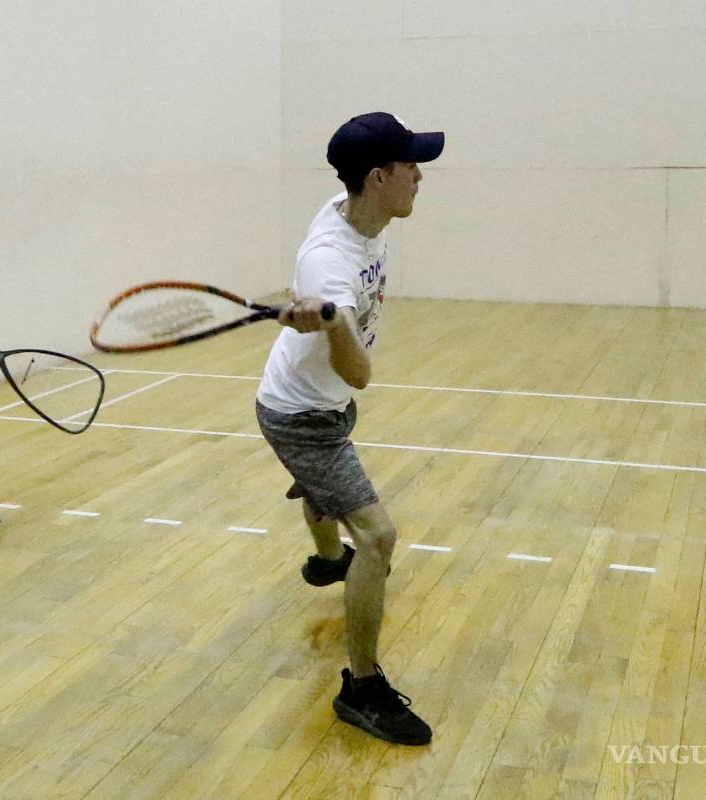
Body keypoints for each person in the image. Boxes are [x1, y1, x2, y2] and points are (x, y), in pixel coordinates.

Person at [256, 112, 444, 745]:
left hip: (323, 403)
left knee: (330, 488)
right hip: (300, 414)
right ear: (378, 176)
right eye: (410, 166)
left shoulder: (356, 211)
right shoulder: (331, 258)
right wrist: (334, 321)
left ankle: (324, 556)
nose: (420, 175)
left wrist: (316, 307)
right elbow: (360, 373)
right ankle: (361, 689)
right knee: (380, 538)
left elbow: (304, 288)